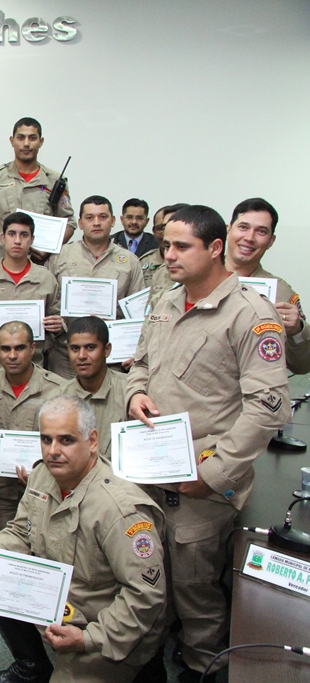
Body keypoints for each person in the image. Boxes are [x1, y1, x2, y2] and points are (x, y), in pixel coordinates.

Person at [126, 204, 290, 681]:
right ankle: (152, 657)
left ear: (215, 248)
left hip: (203, 479)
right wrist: (136, 394)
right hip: (152, 471)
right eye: (166, 245)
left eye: (182, 246)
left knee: (197, 589)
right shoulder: (166, 301)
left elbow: (268, 408)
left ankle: (202, 668)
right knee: (149, 574)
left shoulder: (249, 314)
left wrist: (213, 474)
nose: (169, 255)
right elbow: (139, 364)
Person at [0, 396, 167, 683]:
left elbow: (146, 596)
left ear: (92, 441)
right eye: (46, 440)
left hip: (105, 626)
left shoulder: (120, 510)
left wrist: (88, 639)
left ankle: (144, 670)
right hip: (60, 596)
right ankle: (32, 666)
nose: (53, 451)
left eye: (66, 440)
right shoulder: (43, 475)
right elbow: (22, 531)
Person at [45, 195, 145, 378]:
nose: (97, 223)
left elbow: (139, 315)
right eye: (90, 218)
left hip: (112, 357)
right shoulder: (60, 256)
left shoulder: (129, 261)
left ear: (113, 221)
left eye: (103, 217)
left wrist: (134, 349)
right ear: (81, 223)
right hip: (65, 355)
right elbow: (47, 300)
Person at [0, 321, 64, 531]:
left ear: (33, 349)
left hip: (45, 487)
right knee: (5, 546)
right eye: (6, 349)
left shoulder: (58, 389)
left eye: (19, 348)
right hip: (1, 490)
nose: (12, 355)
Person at [0, 212, 62, 373]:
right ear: (3, 238)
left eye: (24, 235)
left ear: (32, 240)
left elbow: (59, 319)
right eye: (12, 234)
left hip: (34, 370)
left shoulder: (46, 277)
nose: (17, 241)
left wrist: (59, 325)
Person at [224, 197, 310, 374]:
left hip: (251, 393)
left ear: (271, 241)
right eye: (243, 227)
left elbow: (303, 366)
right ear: (228, 230)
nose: (249, 238)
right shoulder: (196, 279)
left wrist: (298, 331)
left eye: (261, 232)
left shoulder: (281, 292)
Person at [0, 117, 76, 267]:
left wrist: (49, 250)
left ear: (41, 142)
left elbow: (69, 223)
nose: (26, 144)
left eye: (32, 138)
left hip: (40, 270)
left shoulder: (54, 181)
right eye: (21, 138)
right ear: (12, 140)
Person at [57, 317, 127, 459]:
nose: (82, 356)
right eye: (75, 349)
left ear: (107, 350)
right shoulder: (58, 397)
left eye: (90, 348)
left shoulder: (130, 391)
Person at [139, 205, 171, 288]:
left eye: (168, 227)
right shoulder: (144, 262)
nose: (164, 233)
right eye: (160, 228)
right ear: (153, 231)